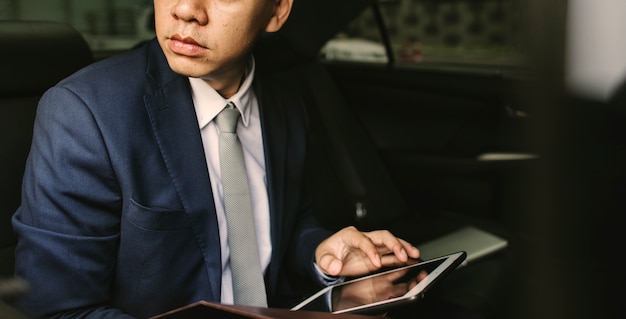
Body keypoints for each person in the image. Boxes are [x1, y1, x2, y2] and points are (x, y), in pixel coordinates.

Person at [11, 0, 420, 318]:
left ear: (277, 11)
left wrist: (321, 256)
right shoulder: (86, 113)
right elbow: (58, 309)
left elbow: (283, 226)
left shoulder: (284, 102)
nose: (186, 10)